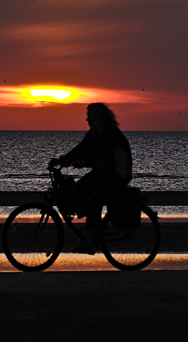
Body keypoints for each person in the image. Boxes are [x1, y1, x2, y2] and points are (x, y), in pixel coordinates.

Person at [50, 102, 133, 253]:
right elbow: (81, 149)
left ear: (100, 116)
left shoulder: (111, 134)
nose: (87, 120)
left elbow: (99, 156)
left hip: (117, 175)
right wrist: (63, 160)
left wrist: (82, 162)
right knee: (79, 190)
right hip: (103, 172)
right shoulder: (94, 133)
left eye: (90, 116)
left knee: (95, 199)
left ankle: (90, 240)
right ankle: (96, 227)